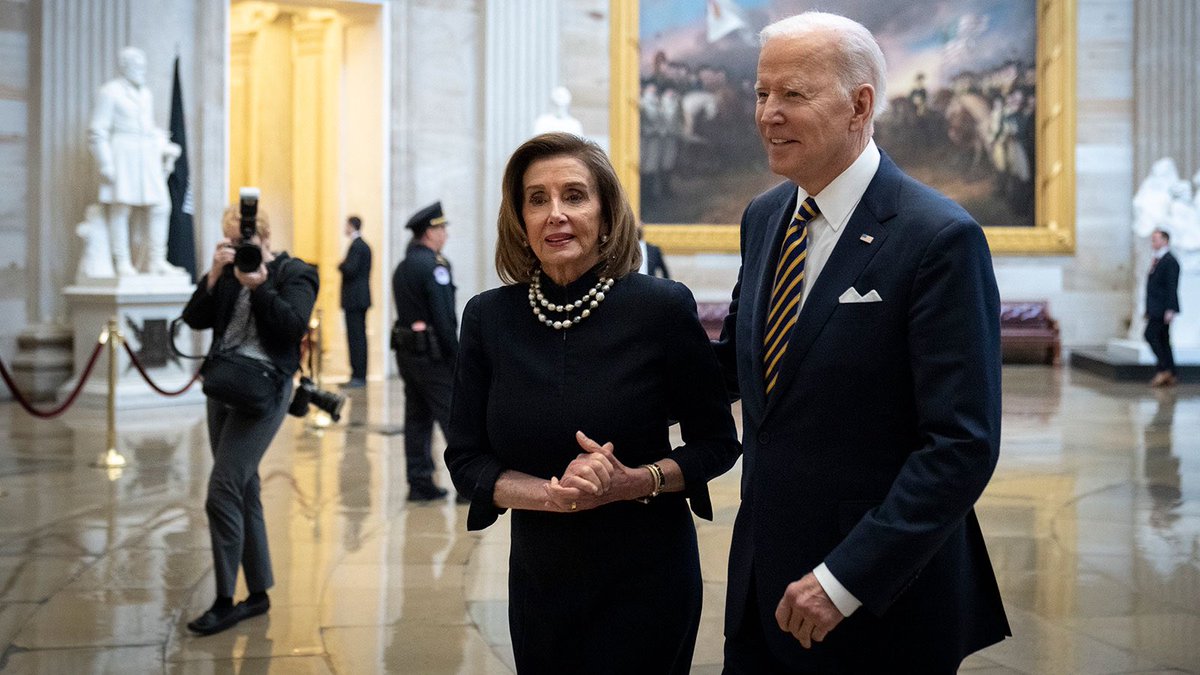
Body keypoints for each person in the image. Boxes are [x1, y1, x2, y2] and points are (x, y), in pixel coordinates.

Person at [713, 12, 1010, 672]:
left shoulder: (938, 238)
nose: (768, 114)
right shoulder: (766, 217)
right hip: (763, 587)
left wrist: (845, 579)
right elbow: (739, 367)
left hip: (878, 603)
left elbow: (960, 444)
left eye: (792, 94)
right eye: (762, 94)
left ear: (860, 104)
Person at [444, 132, 740, 674]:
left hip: (648, 575)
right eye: (537, 199)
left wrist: (635, 481)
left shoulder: (661, 309)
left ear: (606, 214)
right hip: (541, 582)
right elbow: (466, 460)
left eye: (574, 196)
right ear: (519, 219)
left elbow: (717, 444)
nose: (555, 214)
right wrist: (549, 496)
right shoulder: (488, 319)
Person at [180, 204, 319, 636]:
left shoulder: (296, 272)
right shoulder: (228, 272)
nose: (240, 249)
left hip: (265, 391)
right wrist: (214, 276)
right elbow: (194, 318)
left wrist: (258, 286)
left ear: (265, 237)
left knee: (221, 489)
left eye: (246, 243)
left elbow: (292, 326)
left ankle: (225, 601)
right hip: (222, 384)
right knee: (243, 486)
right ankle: (257, 593)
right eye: (232, 242)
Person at [88, 46, 183, 276]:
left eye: (143, 66)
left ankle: (156, 260)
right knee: (121, 208)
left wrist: (165, 146)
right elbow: (97, 131)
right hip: (123, 153)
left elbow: (148, 128)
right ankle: (121, 261)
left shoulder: (146, 93)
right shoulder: (110, 92)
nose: (141, 71)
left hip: (146, 154)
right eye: (137, 66)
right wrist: (106, 163)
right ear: (125, 67)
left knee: (161, 206)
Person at [392, 202, 458, 502]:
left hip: (407, 354)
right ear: (430, 232)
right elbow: (443, 318)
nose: (444, 234)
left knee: (417, 419)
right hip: (434, 356)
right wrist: (456, 356)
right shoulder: (435, 266)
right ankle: (468, 484)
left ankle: (419, 483)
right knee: (452, 418)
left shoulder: (403, 267)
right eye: (441, 228)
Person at [338, 215, 372, 388]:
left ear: (352, 226)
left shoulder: (358, 246)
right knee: (357, 337)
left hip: (355, 299)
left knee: (356, 338)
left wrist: (341, 265)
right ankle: (357, 374)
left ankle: (358, 375)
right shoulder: (360, 245)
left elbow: (351, 269)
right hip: (358, 299)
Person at [1145, 228, 1181, 387]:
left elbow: (1172, 287)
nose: (1153, 242)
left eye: (1156, 239)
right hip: (1155, 307)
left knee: (1150, 335)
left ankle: (1164, 368)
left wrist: (1170, 309)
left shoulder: (1170, 261)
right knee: (1164, 340)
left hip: (1163, 309)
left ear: (1165, 241)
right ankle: (1171, 372)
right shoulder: (1158, 259)